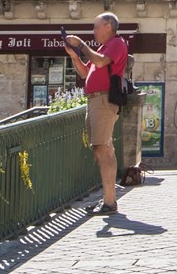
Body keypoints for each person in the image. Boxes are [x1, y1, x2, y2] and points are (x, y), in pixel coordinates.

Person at [64, 12, 129, 215]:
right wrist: (75, 56)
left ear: (108, 26)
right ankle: (108, 199)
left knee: (103, 148)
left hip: (103, 100)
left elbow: (100, 63)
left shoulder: (117, 44)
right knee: (101, 148)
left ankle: (109, 201)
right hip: (94, 101)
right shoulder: (102, 48)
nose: (94, 31)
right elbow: (86, 73)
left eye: (96, 27)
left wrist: (82, 45)